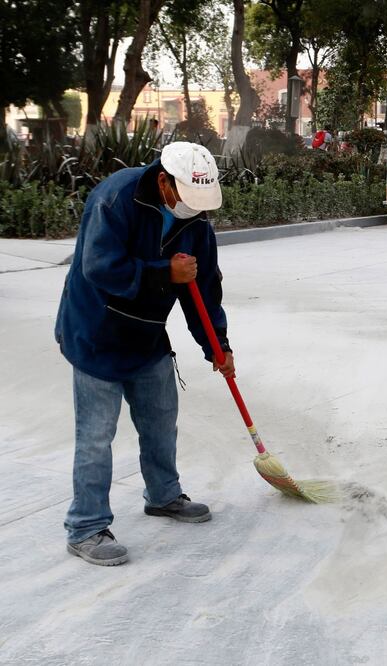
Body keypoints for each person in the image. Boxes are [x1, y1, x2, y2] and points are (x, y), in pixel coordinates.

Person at [55, 142, 234, 566]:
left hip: (148, 335)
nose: (194, 210)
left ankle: (163, 496)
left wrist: (217, 345)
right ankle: (86, 527)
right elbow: (99, 267)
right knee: (96, 438)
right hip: (96, 332)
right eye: (188, 198)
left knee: (160, 422)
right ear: (163, 182)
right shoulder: (115, 197)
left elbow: (203, 288)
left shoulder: (196, 223)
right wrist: (163, 272)